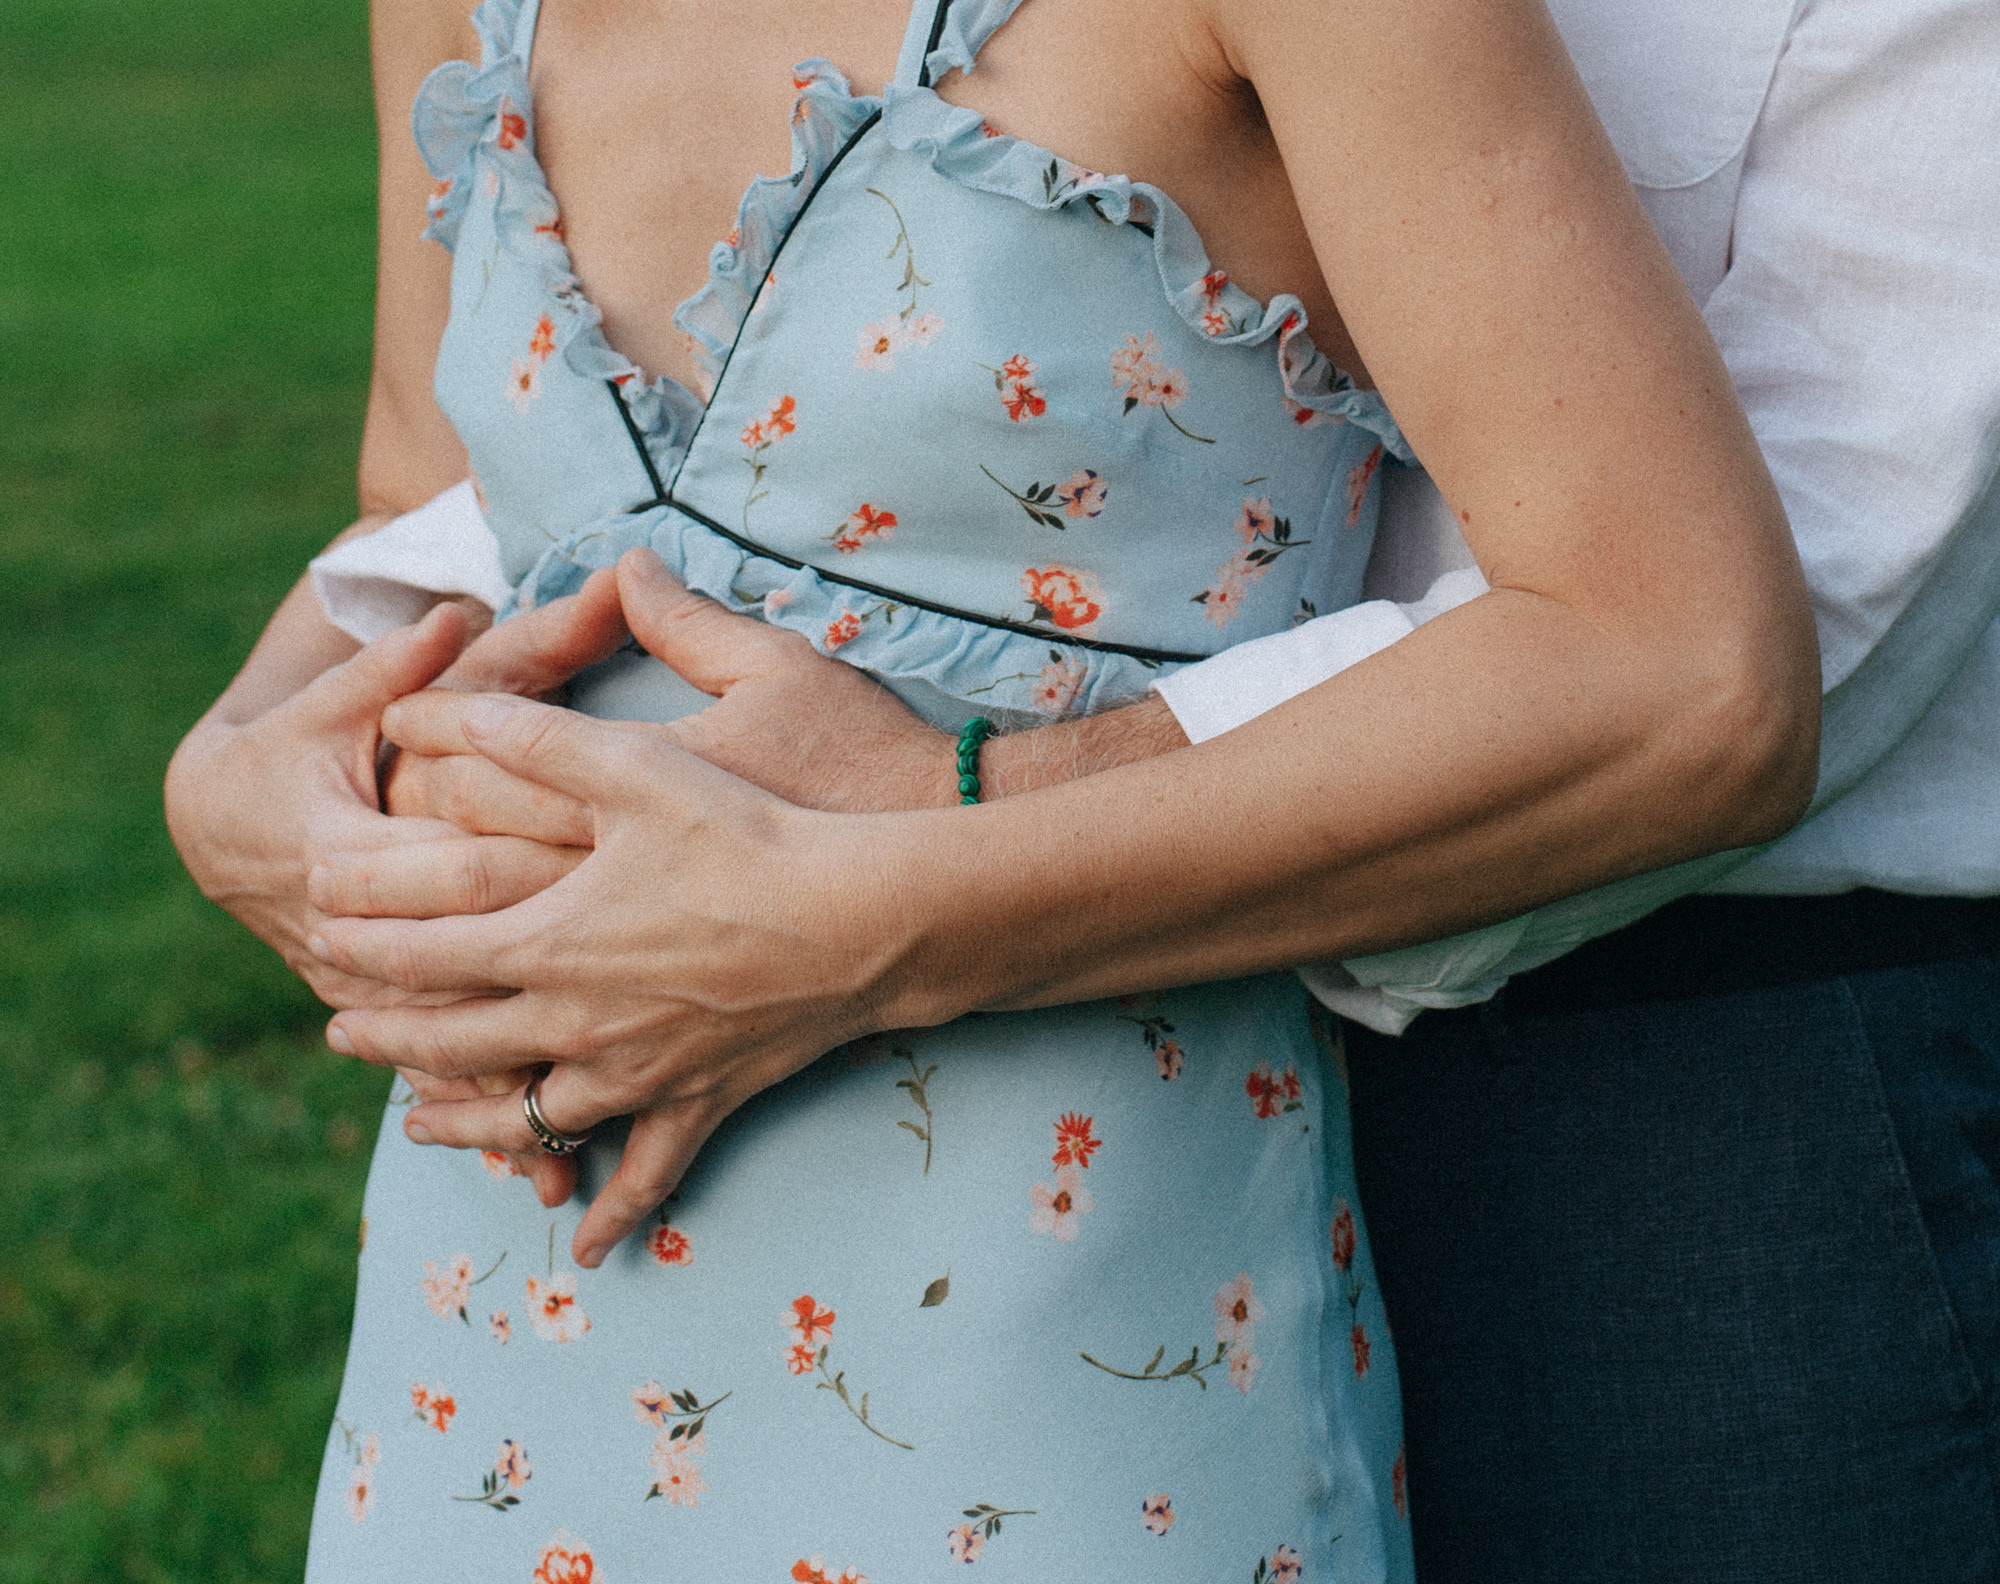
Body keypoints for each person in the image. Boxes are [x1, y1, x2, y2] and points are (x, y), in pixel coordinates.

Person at [324, 0, 2000, 1575]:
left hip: (1106, 1263)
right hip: (509, 1279)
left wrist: (894, 861)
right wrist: (259, 772)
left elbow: (1713, 647)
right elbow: (429, 517)